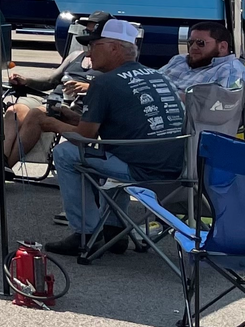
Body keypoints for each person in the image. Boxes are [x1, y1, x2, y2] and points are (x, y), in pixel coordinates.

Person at [41, 17, 188, 257]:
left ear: (114, 47)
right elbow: (126, 123)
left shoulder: (104, 83)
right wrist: (71, 117)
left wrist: (51, 123)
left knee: (66, 153)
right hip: (179, 168)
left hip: (144, 171)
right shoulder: (157, 75)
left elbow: (84, 138)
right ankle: (113, 230)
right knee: (107, 155)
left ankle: (85, 234)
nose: (88, 52)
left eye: (94, 45)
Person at [0, 12, 107, 180]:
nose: (88, 35)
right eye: (87, 31)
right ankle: (0, 159)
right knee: (14, 110)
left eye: (92, 31)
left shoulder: (109, 62)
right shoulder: (76, 56)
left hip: (75, 107)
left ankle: (3, 167)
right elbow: (51, 80)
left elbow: (112, 89)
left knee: (37, 113)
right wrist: (27, 81)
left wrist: (89, 87)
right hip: (53, 99)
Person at [159, 20, 245, 92]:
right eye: (190, 42)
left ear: (222, 46)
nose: (193, 47)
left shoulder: (231, 70)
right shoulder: (179, 60)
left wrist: (171, 97)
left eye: (200, 43)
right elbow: (152, 81)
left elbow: (223, 107)